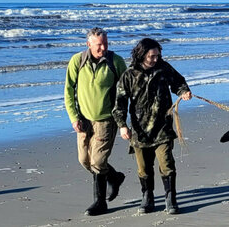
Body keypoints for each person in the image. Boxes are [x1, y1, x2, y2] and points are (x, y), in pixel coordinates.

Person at [113, 38, 192, 214]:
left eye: (157, 55)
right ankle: (147, 197)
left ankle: (170, 199)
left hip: (163, 127)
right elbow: (119, 102)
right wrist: (122, 126)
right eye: (152, 56)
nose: (156, 59)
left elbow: (178, 82)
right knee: (143, 168)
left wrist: (184, 91)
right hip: (139, 131)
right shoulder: (129, 75)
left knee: (166, 163)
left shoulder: (164, 68)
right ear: (142, 55)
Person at [63, 27, 128, 216]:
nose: (103, 48)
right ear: (88, 44)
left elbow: (126, 91)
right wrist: (74, 117)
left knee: (98, 161)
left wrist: (122, 120)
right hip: (83, 120)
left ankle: (100, 203)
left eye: (105, 44)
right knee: (84, 160)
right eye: (99, 44)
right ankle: (114, 177)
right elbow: (68, 91)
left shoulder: (115, 62)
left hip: (106, 120)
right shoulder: (77, 61)